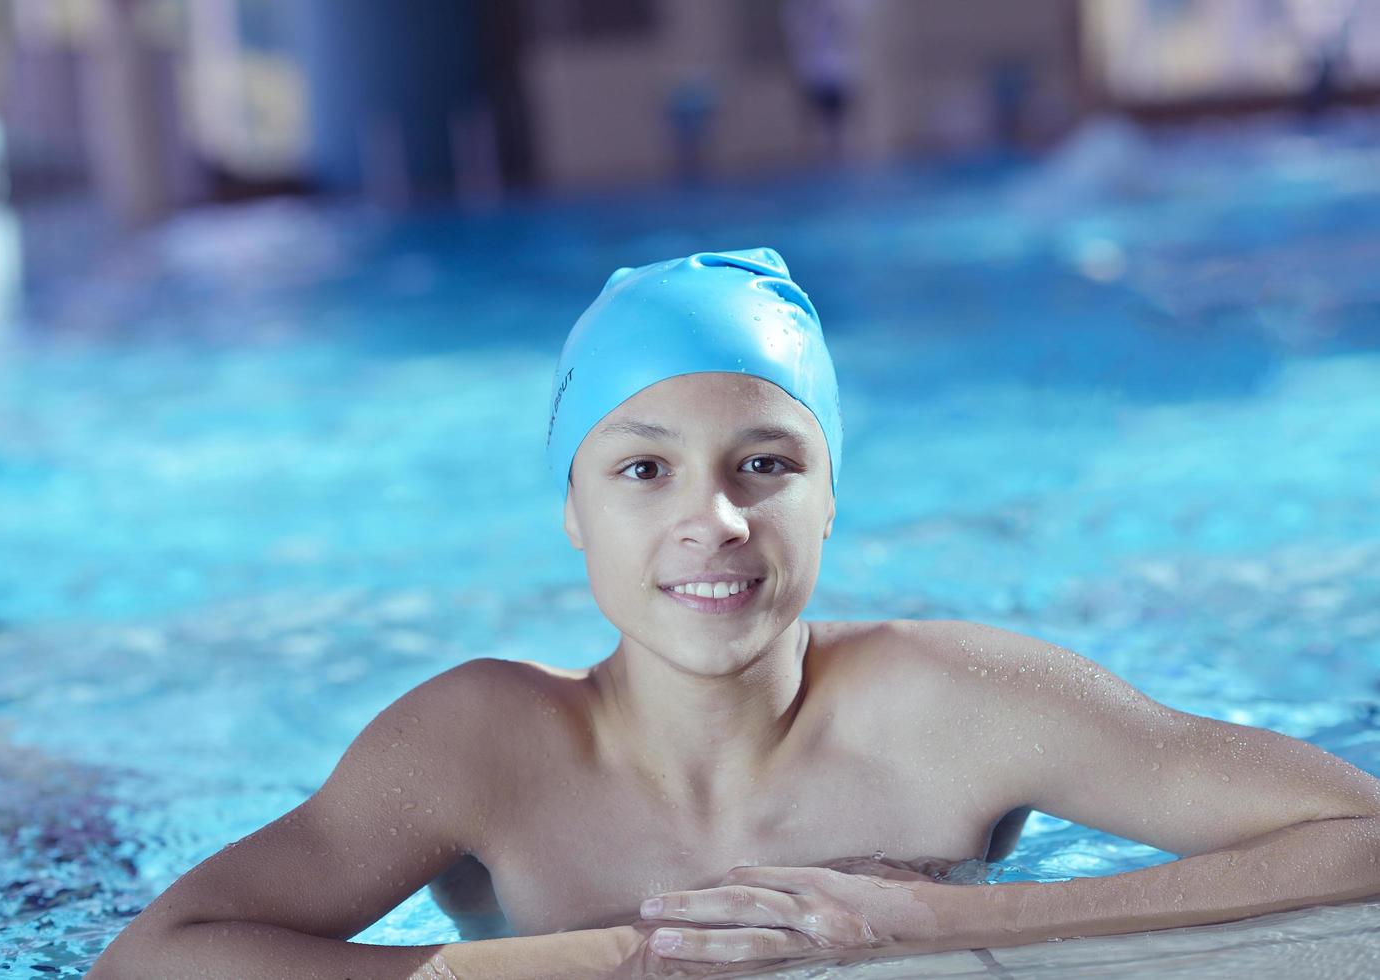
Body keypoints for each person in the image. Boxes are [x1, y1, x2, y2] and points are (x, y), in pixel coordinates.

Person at [90, 248, 1380, 978]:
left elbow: (1357, 838)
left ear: (829, 504)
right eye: (642, 470)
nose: (715, 520)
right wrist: (577, 964)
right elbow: (152, 963)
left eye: (767, 463)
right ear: (574, 515)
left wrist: (943, 922)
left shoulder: (956, 703)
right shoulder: (482, 741)